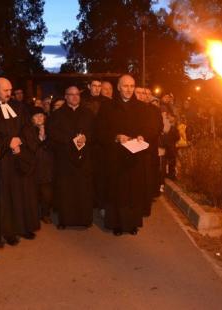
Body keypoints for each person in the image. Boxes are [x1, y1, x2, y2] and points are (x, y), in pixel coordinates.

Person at [0, 77, 38, 244]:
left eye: (10, 90)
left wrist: (21, 141)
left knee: (23, 193)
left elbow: (27, 127)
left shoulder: (19, 107)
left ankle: (24, 227)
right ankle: (9, 232)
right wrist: (8, 142)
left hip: (20, 156)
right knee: (7, 196)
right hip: (3, 160)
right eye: (5, 90)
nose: (8, 93)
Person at [95, 74, 150, 235]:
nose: (129, 89)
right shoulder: (107, 107)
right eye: (125, 86)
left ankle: (131, 223)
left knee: (133, 191)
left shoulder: (141, 107)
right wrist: (116, 137)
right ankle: (116, 224)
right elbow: (99, 131)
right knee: (116, 192)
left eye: (132, 86)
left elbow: (147, 129)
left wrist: (142, 136)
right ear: (118, 87)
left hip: (135, 157)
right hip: (115, 157)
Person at [48, 86, 95, 228]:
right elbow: (52, 134)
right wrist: (70, 139)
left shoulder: (88, 113)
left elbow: (95, 131)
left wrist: (86, 137)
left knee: (83, 190)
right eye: (71, 95)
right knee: (66, 191)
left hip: (84, 158)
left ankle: (84, 220)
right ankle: (65, 221)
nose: (75, 97)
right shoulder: (57, 115)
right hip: (65, 158)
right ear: (66, 96)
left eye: (77, 94)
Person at [20, 107, 54, 224]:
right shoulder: (27, 130)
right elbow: (32, 147)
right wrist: (41, 136)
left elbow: (53, 145)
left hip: (47, 166)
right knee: (33, 193)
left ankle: (45, 213)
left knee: (47, 193)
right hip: (33, 166)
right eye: (36, 116)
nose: (39, 118)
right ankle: (33, 215)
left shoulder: (50, 128)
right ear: (31, 118)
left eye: (41, 115)